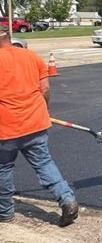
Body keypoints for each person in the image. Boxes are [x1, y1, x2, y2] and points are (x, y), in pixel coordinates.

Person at [0, 24, 78, 226]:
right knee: (44, 163)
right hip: (36, 122)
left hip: (5, 129)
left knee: (3, 169)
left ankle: (6, 213)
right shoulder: (32, 56)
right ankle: (67, 200)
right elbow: (44, 88)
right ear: (9, 37)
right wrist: (44, 109)